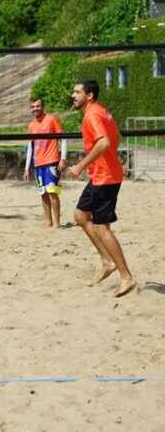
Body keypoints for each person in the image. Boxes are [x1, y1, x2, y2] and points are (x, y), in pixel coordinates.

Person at [68, 80, 136, 298]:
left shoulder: (92, 115)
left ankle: (126, 276)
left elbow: (105, 142)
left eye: (77, 92)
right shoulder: (102, 111)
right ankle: (107, 262)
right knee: (80, 215)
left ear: (89, 95)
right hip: (101, 175)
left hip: (105, 177)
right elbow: (115, 138)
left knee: (101, 227)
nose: (73, 95)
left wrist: (80, 165)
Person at [23, 97, 67, 228]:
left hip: (52, 161)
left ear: (43, 106)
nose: (35, 109)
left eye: (38, 106)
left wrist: (63, 158)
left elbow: (63, 138)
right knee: (43, 194)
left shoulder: (52, 119)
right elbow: (30, 146)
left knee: (53, 192)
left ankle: (57, 223)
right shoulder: (31, 125)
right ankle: (48, 221)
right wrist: (27, 168)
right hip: (38, 164)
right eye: (33, 106)